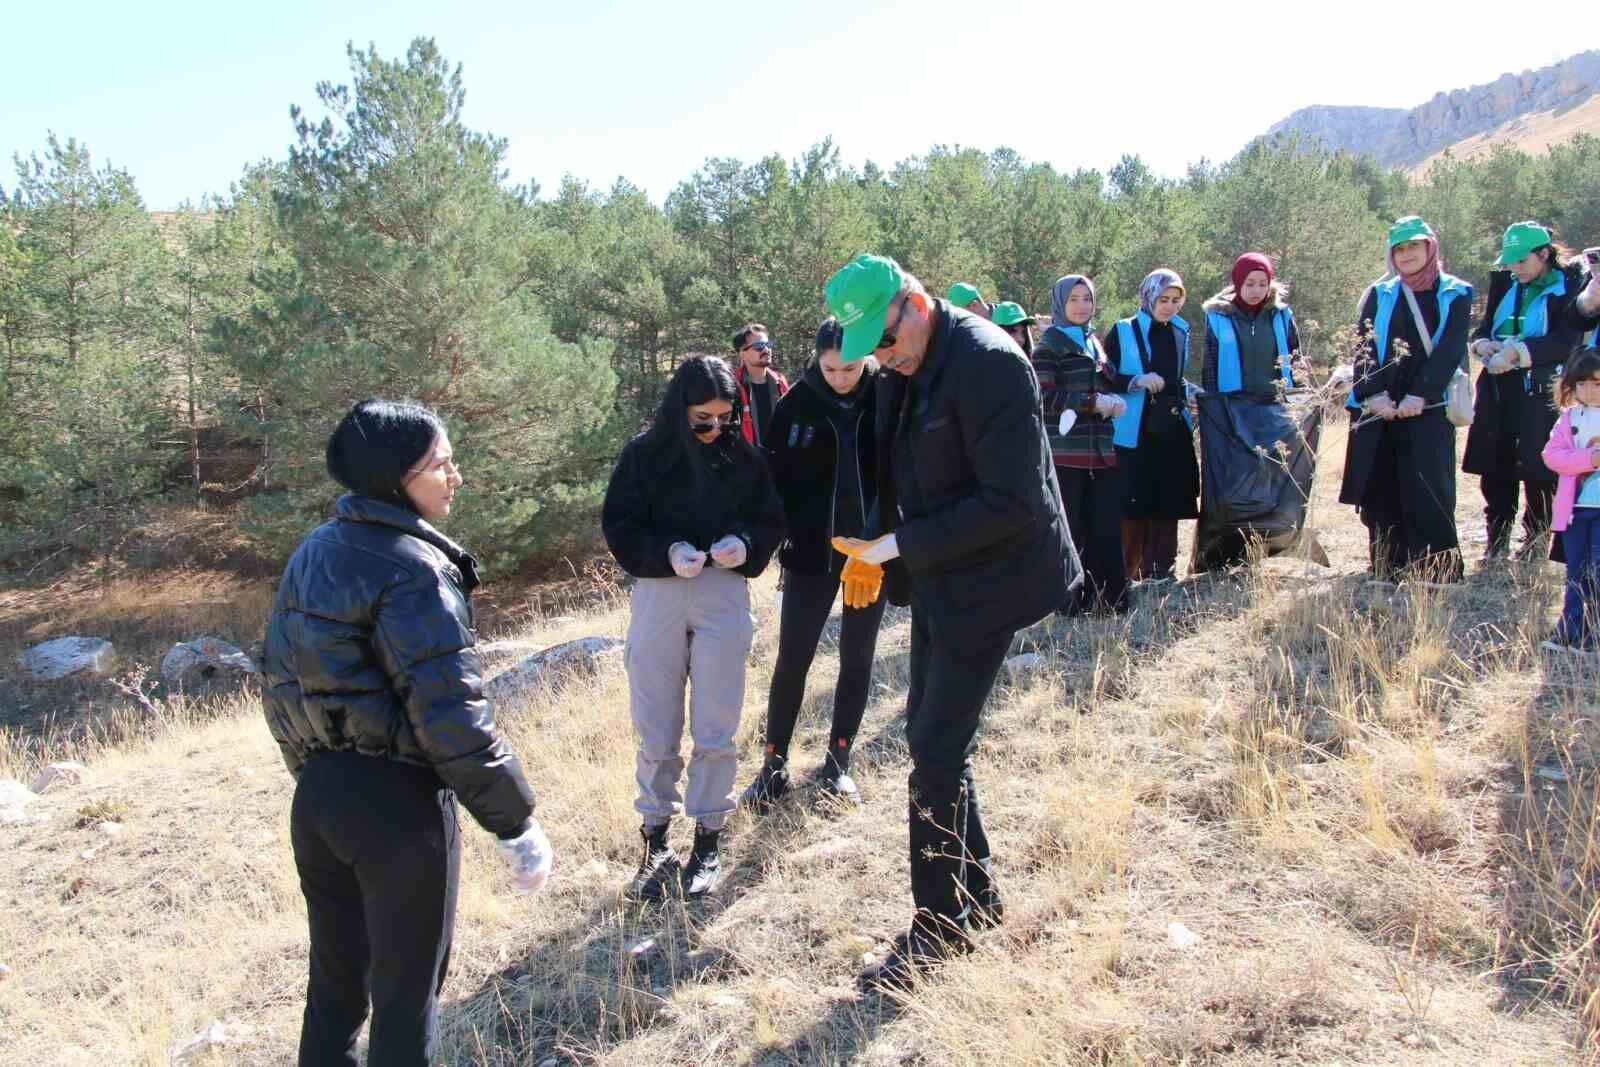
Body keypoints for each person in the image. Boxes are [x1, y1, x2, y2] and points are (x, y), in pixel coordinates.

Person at [262, 399, 552, 1067]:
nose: (455, 476)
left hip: (317, 801)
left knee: (334, 993)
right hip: (397, 810)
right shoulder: (415, 568)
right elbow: (451, 715)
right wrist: (515, 820)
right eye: (439, 465)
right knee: (405, 1001)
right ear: (396, 478)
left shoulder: (314, 549)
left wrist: (316, 773)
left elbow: (279, 681)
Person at [822, 254, 1079, 992]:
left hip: (994, 575)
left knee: (935, 746)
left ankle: (940, 926)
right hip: (939, 571)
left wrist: (900, 544)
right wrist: (877, 543)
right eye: (868, 346)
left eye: (885, 339)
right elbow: (895, 467)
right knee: (930, 737)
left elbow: (1013, 503)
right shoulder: (901, 366)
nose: (881, 357)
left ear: (916, 302)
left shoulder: (992, 365)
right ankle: (978, 894)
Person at [601, 356, 785, 901]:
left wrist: (746, 546)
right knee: (656, 724)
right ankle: (655, 838)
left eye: (725, 419)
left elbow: (770, 519)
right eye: (702, 419)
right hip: (659, 592)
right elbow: (619, 523)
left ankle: (708, 837)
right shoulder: (643, 456)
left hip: (723, 594)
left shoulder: (745, 457)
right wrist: (667, 551)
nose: (715, 430)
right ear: (678, 412)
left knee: (717, 723)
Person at [742, 318, 885, 811]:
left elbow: (904, 473)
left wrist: (887, 540)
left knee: (857, 656)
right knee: (793, 658)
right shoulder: (796, 404)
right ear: (816, 360)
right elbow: (773, 483)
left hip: (871, 555)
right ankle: (774, 764)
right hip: (810, 556)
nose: (841, 377)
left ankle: (839, 762)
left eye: (850, 368)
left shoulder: (885, 395)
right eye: (830, 368)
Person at [1339, 216, 1473, 584]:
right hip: (1380, 407)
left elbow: (1450, 350)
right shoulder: (1379, 294)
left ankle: (1436, 570)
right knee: (1382, 489)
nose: (1407, 254)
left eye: (1414, 245)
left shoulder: (1457, 293)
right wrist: (1375, 395)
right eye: (1399, 248)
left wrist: (1420, 395)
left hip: (1428, 407)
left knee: (1430, 487)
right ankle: (1389, 566)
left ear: (1430, 247)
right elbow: (1364, 347)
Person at [1462, 222, 1586, 562]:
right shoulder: (1504, 284)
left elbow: (1566, 340)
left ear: (1544, 254)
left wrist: (1520, 352)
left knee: (1538, 466)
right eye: (1510, 261)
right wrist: (1483, 343)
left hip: (1541, 389)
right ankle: (1496, 540)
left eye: (1521, 260)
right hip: (1496, 386)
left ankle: (1534, 540)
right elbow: (1485, 326)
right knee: (1494, 463)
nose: (1514, 268)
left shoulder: (1570, 287)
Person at [1032, 274, 1129, 613]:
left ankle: (1109, 601)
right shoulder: (1050, 345)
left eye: (1086, 298)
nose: (1081, 305)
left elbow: (1103, 382)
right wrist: (1091, 402)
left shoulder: (1093, 342)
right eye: (1073, 299)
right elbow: (1042, 397)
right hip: (1067, 455)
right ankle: (1069, 604)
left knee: (1104, 526)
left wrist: (1112, 401)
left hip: (1101, 451)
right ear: (1060, 303)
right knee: (1071, 529)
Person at [1103, 268, 1199, 582]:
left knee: (1168, 499)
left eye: (1175, 300)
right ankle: (1127, 572)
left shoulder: (1180, 331)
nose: (1169, 306)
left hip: (1171, 428)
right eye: (1163, 299)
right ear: (1148, 297)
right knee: (1133, 501)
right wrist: (1136, 381)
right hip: (1134, 431)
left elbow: (1177, 379)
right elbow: (1103, 377)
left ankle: (1160, 572)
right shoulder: (1122, 330)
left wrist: (1192, 393)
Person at [1540, 352, 1600, 653]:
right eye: (1582, 383)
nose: (1590, 390)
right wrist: (1590, 459)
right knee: (1576, 570)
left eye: (1597, 383)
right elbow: (1552, 456)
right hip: (1576, 510)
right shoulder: (1569, 419)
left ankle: (1595, 633)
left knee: (1598, 570)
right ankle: (1570, 628)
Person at [1202, 252, 1301, 398]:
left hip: (1278, 407)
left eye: (1263, 284)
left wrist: (1300, 400)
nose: (1257, 290)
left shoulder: (1281, 315)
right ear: (1238, 281)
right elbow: (1210, 370)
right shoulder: (1218, 317)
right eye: (1250, 284)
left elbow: (1297, 362)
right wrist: (1214, 405)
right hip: (1233, 408)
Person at [733, 322, 791, 446]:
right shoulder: (733, 385)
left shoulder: (780, 381)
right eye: (759, 346)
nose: (766, 349)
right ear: (742, 353)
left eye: (768, 344)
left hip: (780, 458)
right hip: (748, 459)